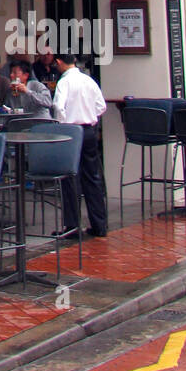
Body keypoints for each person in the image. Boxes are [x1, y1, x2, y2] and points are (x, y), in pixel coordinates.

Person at [52, 52, 108, 238]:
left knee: (70, 179)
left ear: (59, 62)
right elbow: (101, 107)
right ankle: (99, 225)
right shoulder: (88, 80)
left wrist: (63, 124)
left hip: (71, 132)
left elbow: (58, 107)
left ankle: (73, 227)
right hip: (89, 131)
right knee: (92, 177)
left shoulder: (64, 82)